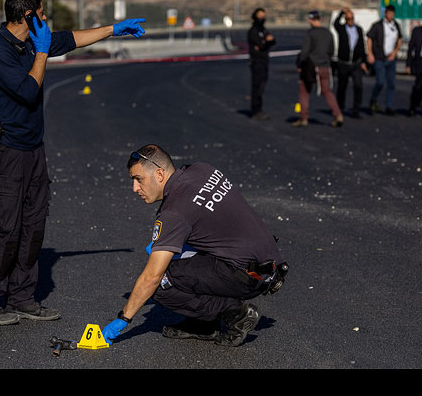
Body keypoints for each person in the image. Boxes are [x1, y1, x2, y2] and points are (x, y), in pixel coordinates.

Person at [0, 0, 145, 326]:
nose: (46, 17)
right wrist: (41, 53)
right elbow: (28, 90)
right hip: (6, 151)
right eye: (42, 12)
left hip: (34, 149)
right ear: (27, 16)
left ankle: (21, 296)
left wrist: (114, 28)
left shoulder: (35, 40)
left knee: (33, 225)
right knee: (4, 227)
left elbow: (72, 39)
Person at [101, 145, 288, 347]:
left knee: (161, 280)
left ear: (160, 174)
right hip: (270, 264)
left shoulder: (173, 213)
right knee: (179, 255)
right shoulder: (202, 170)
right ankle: (205, 321)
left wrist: (123, 318)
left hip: (245, 276)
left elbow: (151, 278)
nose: (135, 188)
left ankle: (235, 315)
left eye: (139, 179)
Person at [293, 11, 344, 128]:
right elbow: (331, 50)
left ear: (310, 20)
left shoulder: (310, 34)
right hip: (325, 66)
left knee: (304, 91)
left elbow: (305, 52)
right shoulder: (328, 33)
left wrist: (300, 64)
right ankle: (338, 114)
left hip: (311, 67)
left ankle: (303, 117)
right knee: (327, 91)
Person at [367, 5, 402, 115]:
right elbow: (369, 39)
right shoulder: (377, 25)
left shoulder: (396, 25)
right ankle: (373, 99)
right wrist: (370, 54)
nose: (391, 15)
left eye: (393, 13)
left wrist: (395, 52)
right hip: (379, 58)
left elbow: (400, 39)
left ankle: (389, 106)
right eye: (389, 13)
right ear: (385, 14)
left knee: (391, 84)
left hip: (391, 58)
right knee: (380, 82)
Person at [333, 8, 368, 118]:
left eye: (352, 18)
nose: (350, 21)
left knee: (358, 86)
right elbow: (335, 23)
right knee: (342, 87)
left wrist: (364, 61)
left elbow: (362, 45)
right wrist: (341, 13)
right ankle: (340, 108)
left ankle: (356, 109)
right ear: (345, 20)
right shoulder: (342, 29)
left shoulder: (358, 29)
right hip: (343, 62)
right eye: (348, 19)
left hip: (356, 63)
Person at [247, 8, 276, 120]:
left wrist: (266, 42)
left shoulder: (263, 30)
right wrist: (265, 42)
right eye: (260, 15)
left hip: (264, 61)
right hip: (256, 62)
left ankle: (259, 109)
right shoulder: (253, 31)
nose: (262, 18)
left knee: (262, 85)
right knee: (257, 86)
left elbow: (272, 41)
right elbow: (262, 44)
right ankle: (255, 110)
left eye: (263, 15)